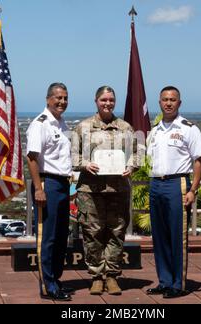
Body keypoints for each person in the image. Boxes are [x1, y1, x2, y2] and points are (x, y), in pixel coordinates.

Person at [71, 86, 137, 295]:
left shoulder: (126, 127)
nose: (107, 103)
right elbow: (73, 157)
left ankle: (112, 276)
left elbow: (137, 153)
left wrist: (132, 166)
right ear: (96, 101)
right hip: (91, 190)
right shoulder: (83, 127)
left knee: (116, 233)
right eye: (103, 100)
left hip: (118, 190)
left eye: (111, 100)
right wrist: (85, 164)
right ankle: (96, 276)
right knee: (92, 233)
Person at [146, 86, 201, 298]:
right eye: (165, 99)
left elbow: (199, 159)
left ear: (179, 103)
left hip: (177, 184)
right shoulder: (155, 131)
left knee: (177, 236)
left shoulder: (189, 128)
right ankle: (164, 280)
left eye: (173, 100)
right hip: (155, 184)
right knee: (160, 235)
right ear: (160, 102)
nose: (168, 103)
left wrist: (193, 189)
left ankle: (177, 283)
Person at [26, 82, 74, 301]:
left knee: (62, 237)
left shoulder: (62, 124)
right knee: (48, 237)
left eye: (65, 98)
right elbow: (32, 159)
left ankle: (55, 279)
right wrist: (38, 188)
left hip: (63, 184)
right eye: (58, 98)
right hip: (47, 184)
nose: (62, 102)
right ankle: (48, 286)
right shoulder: (40, 124)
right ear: (48, 99)